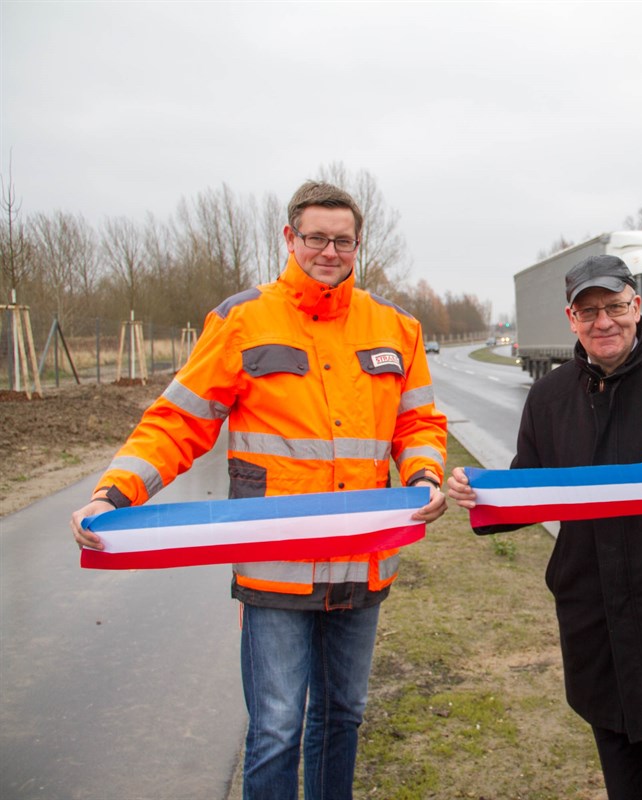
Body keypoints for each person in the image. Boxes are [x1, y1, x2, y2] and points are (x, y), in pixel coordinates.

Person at [70, 180, 449, 800]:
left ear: (358, 244)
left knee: (343, 717)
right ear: (290, 238)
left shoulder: (396, 327)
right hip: (276, 568)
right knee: (275, 729)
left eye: (343, 240)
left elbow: (419, 423)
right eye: (317, 238)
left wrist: (425, 475)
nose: (330, 251)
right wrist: (115, 494)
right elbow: (179, 421)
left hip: (364, 560)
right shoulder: (241, 320)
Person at [446, 254, 642, 800]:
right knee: (622, 768)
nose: (603, 321)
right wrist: (478, 493)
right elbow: (528, 486)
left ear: (637, 307)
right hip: (595, 619)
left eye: (614, 306)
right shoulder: (549, 397)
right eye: (588, 311)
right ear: (571, 319)